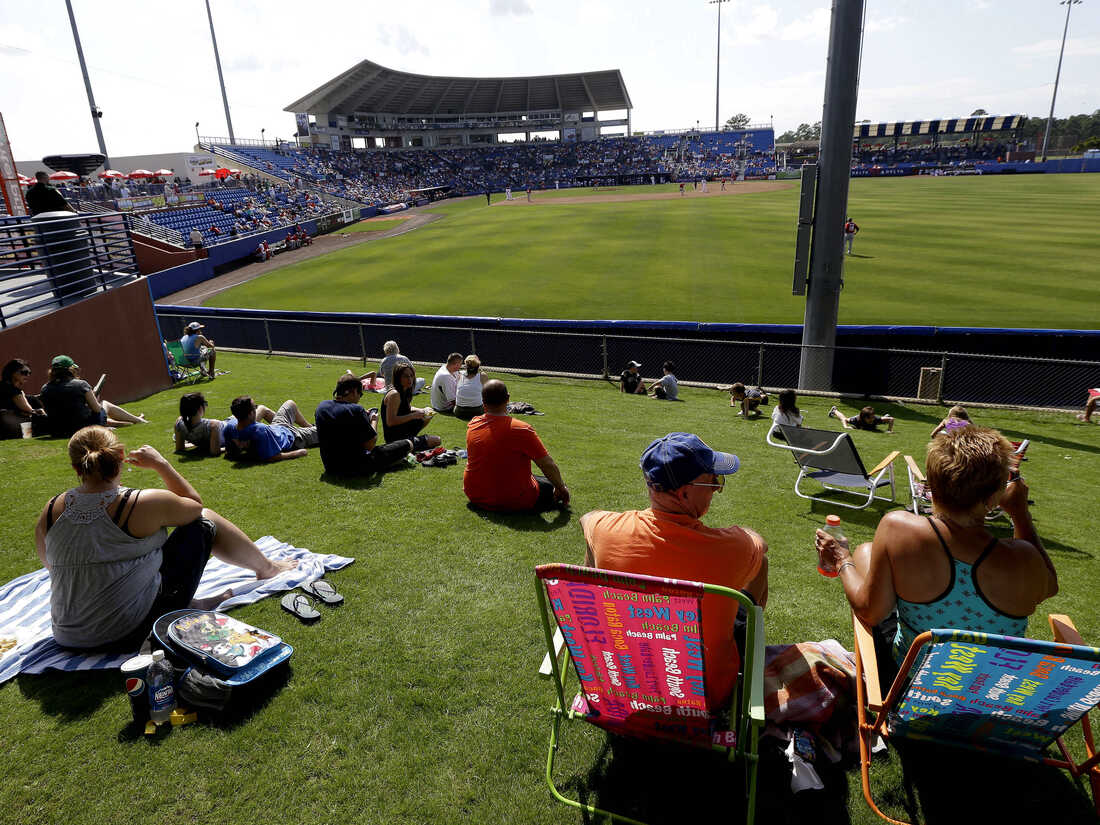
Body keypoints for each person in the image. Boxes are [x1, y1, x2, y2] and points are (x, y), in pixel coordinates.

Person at [815, 426, 1058, 683]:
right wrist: (1020, 514)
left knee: (863, 553)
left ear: (931, 483)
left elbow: (870, 612)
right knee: (867, 552)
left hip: (909, 689)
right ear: (997, 494)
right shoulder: (1025, 558)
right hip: (992, 698)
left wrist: (842, 559)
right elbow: (1049, 586)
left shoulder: (898, 527)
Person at [35, 426, 297, 651]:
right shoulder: (138, 502)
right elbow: (195, 507)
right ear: (121, 456)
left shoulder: (50, 510)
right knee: (204, 522)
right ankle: (267, 569)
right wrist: (161, 464)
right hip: (128, 634)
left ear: (75, 467)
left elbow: (52, 567)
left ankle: (192, 603)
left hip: (68, 636)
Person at [580, 432, 768, 711]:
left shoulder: (602, 529)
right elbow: (760, 547)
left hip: (622, 682)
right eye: (712, 480)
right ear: (683, 493)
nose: (717, 488)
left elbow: (587, 520)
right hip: (704, 697)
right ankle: (748, 638)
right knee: (747, 596)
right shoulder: (733, 548)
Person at [463, 379, 569, 512]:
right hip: (513, 499)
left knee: (540, 479)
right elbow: (547, 464)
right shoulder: (521, 429)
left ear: (483, 402)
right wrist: (561, 488)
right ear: (508, 399)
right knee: (555, 485)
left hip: (475, 494)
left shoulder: (473, 425)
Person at [316, 374, 440, 476]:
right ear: (354, 392)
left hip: (331, 466)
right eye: (360, 394)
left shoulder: (322, 407)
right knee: (407, 444)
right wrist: (373, 420)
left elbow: (341, 426)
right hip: (356, 467)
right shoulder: (356, 410)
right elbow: (370, 444)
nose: (359, 398)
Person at [39, 355, 146, 437]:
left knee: (86, 415)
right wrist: (94, 398)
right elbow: (97, 409)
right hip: (84, 428)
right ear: (70, 369)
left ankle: (127, 423)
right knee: (104, 405)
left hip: (58, 431)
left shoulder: (44, 388)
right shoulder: (81, 384)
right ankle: (138, 420)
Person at [223, 396, 317, 462]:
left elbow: (229, 451)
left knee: (290, 403)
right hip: (294, 437)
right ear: (251, 414)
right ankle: (312, 429)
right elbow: (272, 457)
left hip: (277, 426)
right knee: (326, 429)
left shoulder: (230, 426)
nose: (256, 409)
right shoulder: (260, 430)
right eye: (254, 407)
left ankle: (309, 427)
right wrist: (298, 453)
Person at [382, 364, 438, 444]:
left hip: (403, 430)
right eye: (405, 376)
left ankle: (411, 438)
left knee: (428, 412)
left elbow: (405, 408)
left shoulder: (405, 390)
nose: (410, 379)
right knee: (436, 440)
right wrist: (413, 416)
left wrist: (422, 410)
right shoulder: (394, 394)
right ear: (398, 377)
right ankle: (409, 443)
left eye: (411, 376)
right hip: (395, 438)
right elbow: (391, 421)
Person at [1, 358, 47, 439]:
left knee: (32, 399)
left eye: (29, 373)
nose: (27, 375)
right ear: (13, 372)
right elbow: (29, 410)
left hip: (8, 425)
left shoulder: (5, 386)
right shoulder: (12, 390)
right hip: (11, 427)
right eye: (24, 373)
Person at [454, 355, 485, 421]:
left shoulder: (459, 374)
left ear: (465, 365)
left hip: (459, 412)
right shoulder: (482, 376)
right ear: (478, 365)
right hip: (477, 412)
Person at [829, 404, 895, 433]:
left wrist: (889, 430)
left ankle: (885, 417)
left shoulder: (875, 419)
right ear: (865, 418)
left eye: (873, 417)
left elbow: (892, 419)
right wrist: (845, 426)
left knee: (881, 420)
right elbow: (844, 420)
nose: (872, 419)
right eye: (871, 418)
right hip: (860, 420)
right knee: (844, 418)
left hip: (875, 422)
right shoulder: (856, 420)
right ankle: (834, 410)